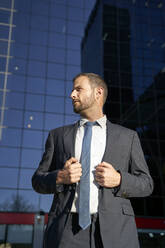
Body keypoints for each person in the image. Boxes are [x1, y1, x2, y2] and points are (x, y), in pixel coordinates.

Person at [32, 73, 153, 248]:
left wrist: (119, 179)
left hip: (116, 231)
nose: (72, 95)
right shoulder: (57, 136)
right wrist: (60, 177)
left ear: (98, 93)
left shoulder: (128, 137)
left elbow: (146, 184)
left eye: (78, 89)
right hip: (65, 231)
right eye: (73, 90)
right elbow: (37, 181)